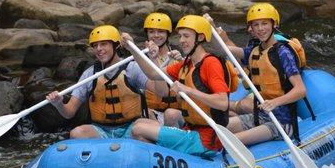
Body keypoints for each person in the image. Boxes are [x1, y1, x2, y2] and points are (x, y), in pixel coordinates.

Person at [121, 15, 237, 156]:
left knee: (138, 129)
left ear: (200, 37)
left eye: (186, 36)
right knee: (138, 125)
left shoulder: (210, 63)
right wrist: (132, 48)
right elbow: (153, 73)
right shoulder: (186, 65)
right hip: (190, 130)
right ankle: (166, 164)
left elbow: (223, 102)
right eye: (180, 36)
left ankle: (170, 158)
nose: (181, 41)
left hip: (206, 140)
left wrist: (188, 90)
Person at [210, 3, 307, 145]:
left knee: (232, 141)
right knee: (216, 130)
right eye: (256, 25)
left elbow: (300, 90)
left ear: (274, 24)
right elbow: (224, 49)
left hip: (281, 123)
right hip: (260, 116)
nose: (260, 29)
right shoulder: (254, 50)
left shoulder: (283, 53)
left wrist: (274, 102)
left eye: (265, 23)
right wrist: (211, 27)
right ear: (251, 28)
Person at [46, 25, 158, 139]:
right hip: (101, 130)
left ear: (116, 45)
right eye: (95, 45)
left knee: (146, 131)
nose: (98, 48)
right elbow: (69, 112)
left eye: (104, 44)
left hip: (131, 127)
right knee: (76, 133)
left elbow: (157, 90)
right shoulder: (90, 74)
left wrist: (154, 59)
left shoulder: (131, 68)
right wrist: (58, 104)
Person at [142, 12, 184, 127]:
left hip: (177, 113)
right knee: (146, 113)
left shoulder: (179, 55)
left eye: (160, 31)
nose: (156, 35)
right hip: (152, 113)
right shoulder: (140, 59)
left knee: (171, 114)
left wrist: (182, 63)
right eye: (151, 32)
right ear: (147, 34)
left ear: (168, 33)